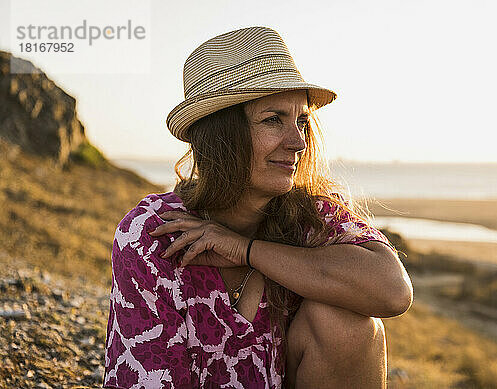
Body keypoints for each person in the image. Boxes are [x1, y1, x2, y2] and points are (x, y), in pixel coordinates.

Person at [103, 26, 413, 389]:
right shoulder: (153, 234)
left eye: (301, 121)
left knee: (346, 325)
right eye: (273, 119)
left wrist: (246, 250)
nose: (298, 142)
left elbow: (393, 292)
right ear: (221, 134)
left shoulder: (311, 216)